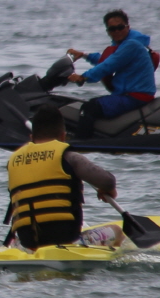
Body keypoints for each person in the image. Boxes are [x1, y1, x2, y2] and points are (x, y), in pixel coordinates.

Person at [8, 103, 124, 249]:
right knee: (117, 231)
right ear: (63, 136)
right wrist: (109, 189)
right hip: (65, 240)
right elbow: (107, 180)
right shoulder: (68, 156)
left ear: (31, 137)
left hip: (28, 241)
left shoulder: (14, 160)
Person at [65, 9, 157, 136]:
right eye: (112, 29)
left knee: (89, 108)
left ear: (128, 27)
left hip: (135, 96)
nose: (117, 31)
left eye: (120, 27)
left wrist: (83, 77)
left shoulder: (132, 45)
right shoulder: (125, 44)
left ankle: (82, 144)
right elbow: (107, 60)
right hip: (129, 94)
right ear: (108, 31)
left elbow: (108, 65)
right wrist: (84, 55)